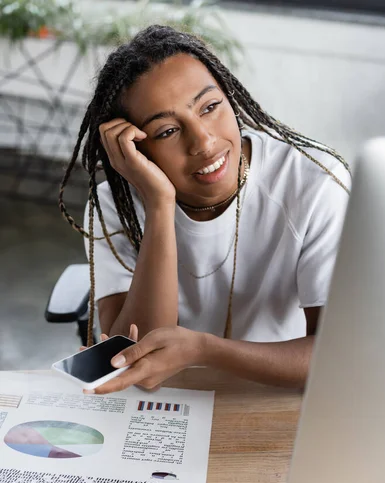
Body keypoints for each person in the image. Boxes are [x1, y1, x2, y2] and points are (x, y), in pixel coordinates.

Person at [58, 24, 351, 394]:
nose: (205, 142)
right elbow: (135, 362)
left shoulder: (312, 183)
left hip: (272, 393)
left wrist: (206, 350)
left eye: (210, 107)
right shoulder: (118, 205)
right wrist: (159, 205)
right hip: (167, 405)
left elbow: (337, 357)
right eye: (167, 131)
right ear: (135, 148)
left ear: (230, 97)